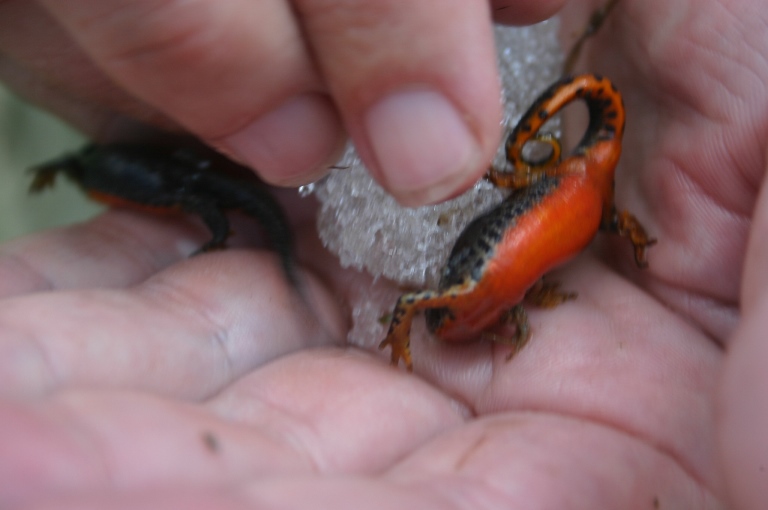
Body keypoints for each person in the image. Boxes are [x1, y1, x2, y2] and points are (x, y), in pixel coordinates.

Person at [0, 0, 764, 508]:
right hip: (567, 198)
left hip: (571, 193)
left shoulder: (469, 292)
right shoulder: (484, 304)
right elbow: (504, 300)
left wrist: (407, 324)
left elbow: (454, 301)